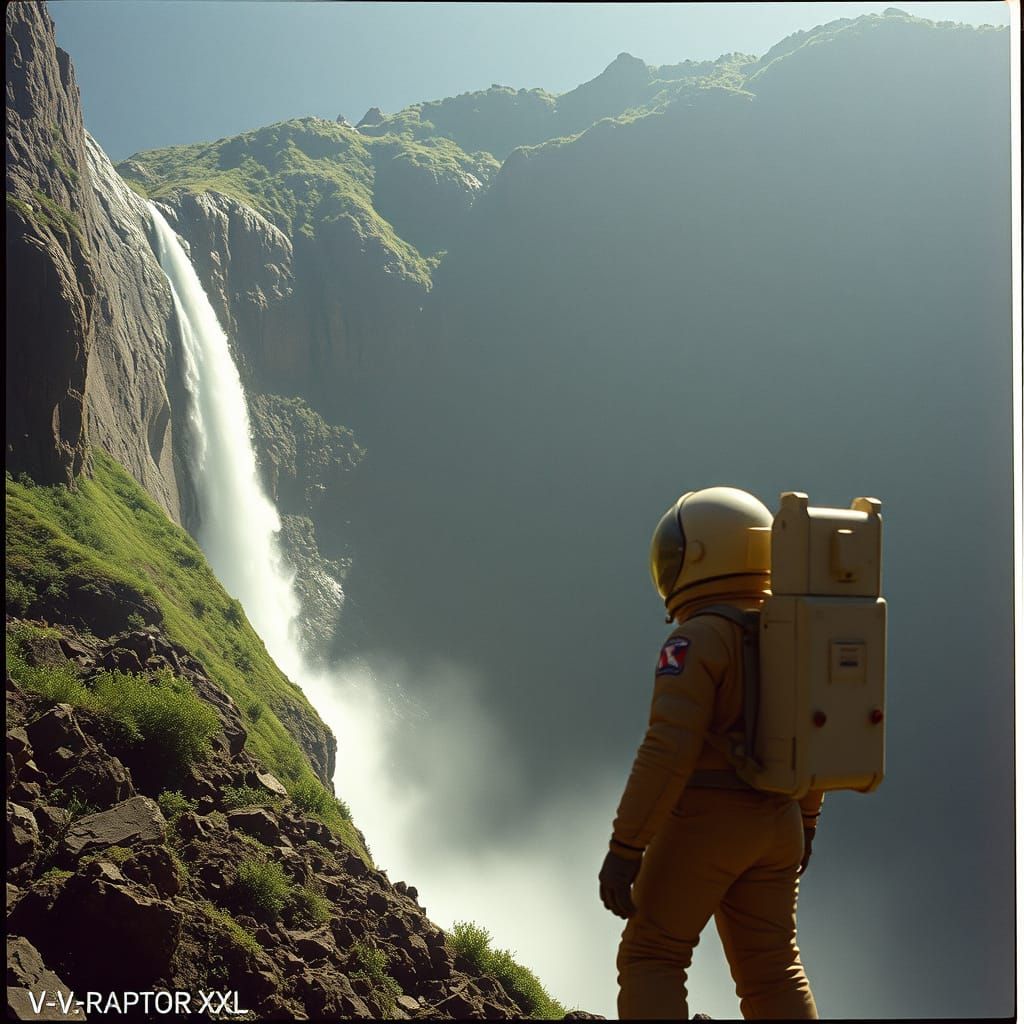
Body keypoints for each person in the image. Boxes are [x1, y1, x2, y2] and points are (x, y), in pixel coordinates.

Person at [599, 486, 822, 1020]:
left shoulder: (697, 639)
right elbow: (816, 731)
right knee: (773, 972)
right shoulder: (795, 634)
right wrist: (808, 821)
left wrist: (626, 846)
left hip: (707, 820)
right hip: (782, 821)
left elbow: (667, 750)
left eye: (674, 553)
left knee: (652, 955)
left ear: (701, 555)